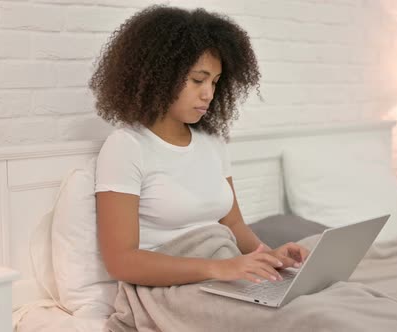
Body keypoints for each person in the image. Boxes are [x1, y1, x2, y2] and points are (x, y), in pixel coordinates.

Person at [90, 5, 309, 288]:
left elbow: (233, 226)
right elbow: (121, 261)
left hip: (223, 275)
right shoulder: (127, 147)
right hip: (166, 289)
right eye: (197, 80)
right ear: (160, 75)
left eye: (215, 82)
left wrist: (270, 258)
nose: (208, 94)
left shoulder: (213, 143)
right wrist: (220, 268)